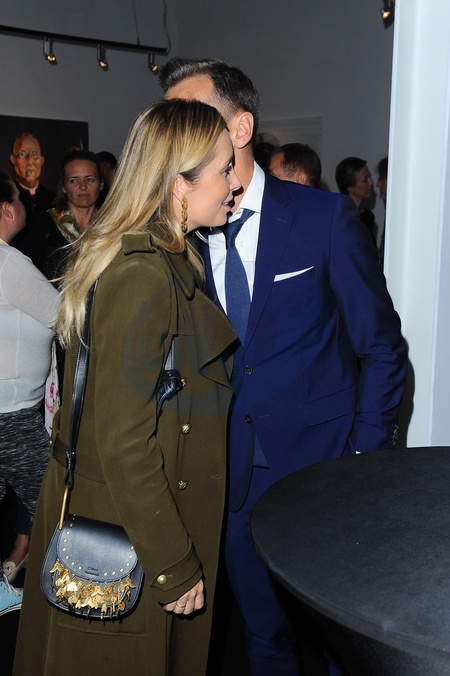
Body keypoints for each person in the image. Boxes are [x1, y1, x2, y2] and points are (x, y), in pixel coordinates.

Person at [160, 58, 407, 676]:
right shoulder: (177, 237)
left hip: (324, 473)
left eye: (191, 116)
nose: (174, 132)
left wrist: (360, 458)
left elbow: (381, 348)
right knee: (262, 639)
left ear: (240, 128)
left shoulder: (324, 219)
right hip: (228, 481)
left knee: (338, 644)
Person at [13, 99, 240, 676]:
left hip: (130, 517)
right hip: (127, 531)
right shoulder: (143, 274)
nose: (234, 183)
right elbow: (122, 440)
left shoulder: (161, 257)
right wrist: (173, 561)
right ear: (179, 184)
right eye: (223, 169)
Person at [0, 170, 60, 587]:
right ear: (7, 210)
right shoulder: (9, 263)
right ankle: (54, 607)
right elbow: (63, 315)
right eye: (20, 200)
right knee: (52, 508)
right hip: (13, 416)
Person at [43, 148, 103, 282]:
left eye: (90, 179)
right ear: (63, 187)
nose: (83, 186)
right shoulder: (44, 223)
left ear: (101, 183)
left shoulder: (110, 225)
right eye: (74, 181)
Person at [9, 132, 55, 268]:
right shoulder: (7, 198)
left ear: (42, 160)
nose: (30, 162)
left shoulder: (54, 199)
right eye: (22, 154)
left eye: (34, 155)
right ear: (13, 159)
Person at [335, 156, 377, 247]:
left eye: (369, 176)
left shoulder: (368, 216)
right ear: (350, 188)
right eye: (365, 180)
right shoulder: (339, 218)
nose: (371, 182)